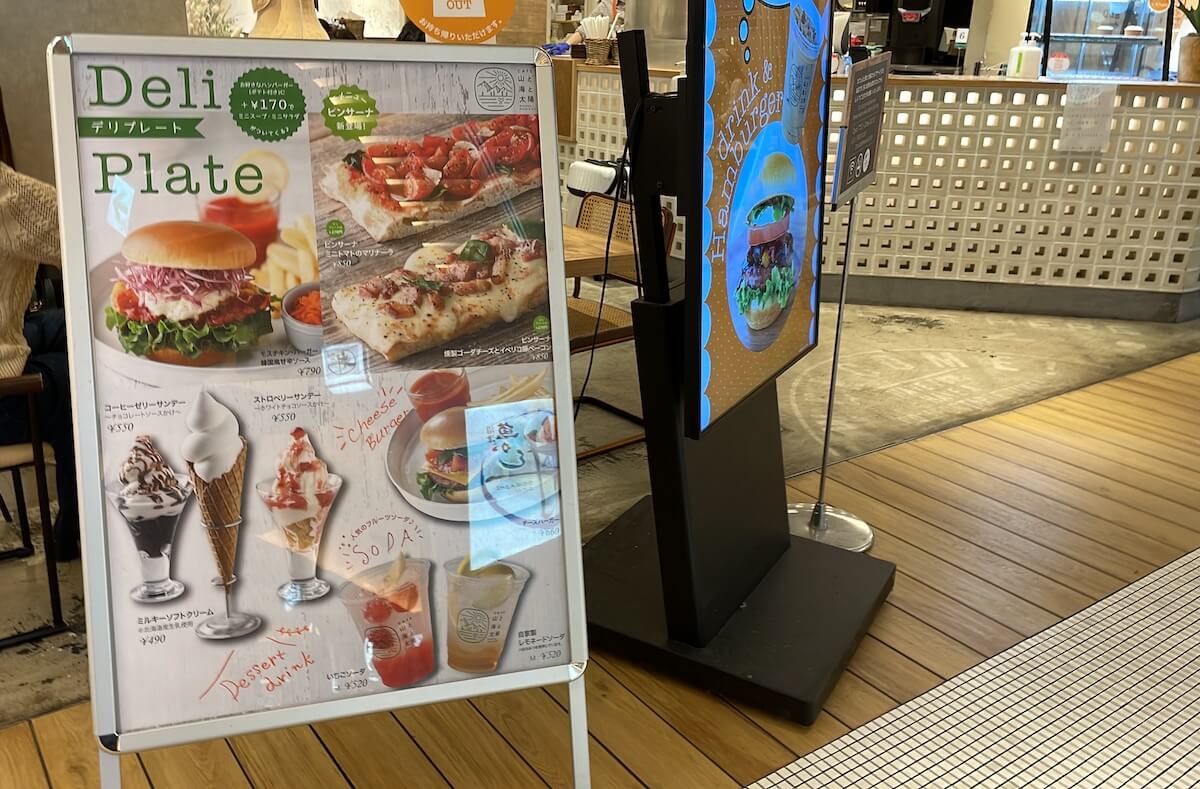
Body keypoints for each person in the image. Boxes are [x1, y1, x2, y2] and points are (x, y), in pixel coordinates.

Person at [0, 161, 78, 560]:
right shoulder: (7, 195)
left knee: (65, 324)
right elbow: (88, 229)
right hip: (5, 398)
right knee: (77, 379)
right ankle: (75, 526)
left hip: (8, 338)